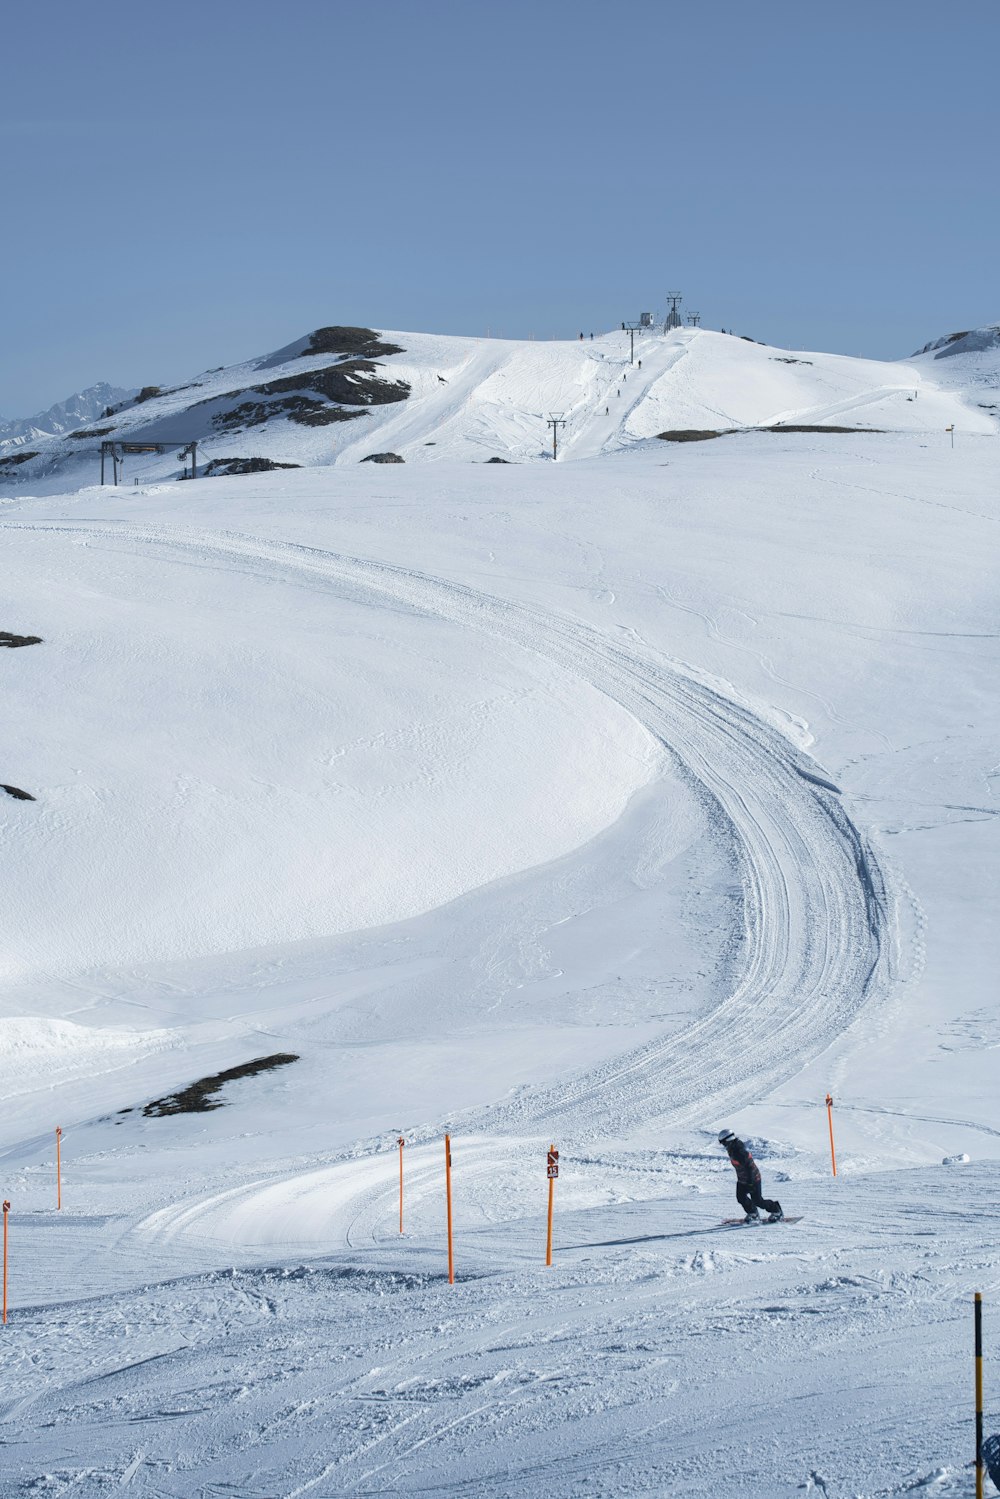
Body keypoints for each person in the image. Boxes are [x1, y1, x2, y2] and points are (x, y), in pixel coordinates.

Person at [718, 1129, 783, 1222]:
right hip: (742, 1179)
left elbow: (749, 1168)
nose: (723, 1145)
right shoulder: (732, 1148)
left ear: (728, 1140)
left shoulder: (739, 1152)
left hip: (753, 1179)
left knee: (758, 1201)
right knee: (741, 1198)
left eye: (723, 1143)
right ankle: (753, 1213)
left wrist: (750, 1183)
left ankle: (776, 1210)